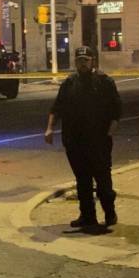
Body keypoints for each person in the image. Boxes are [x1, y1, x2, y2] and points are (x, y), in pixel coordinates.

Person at [44, 46, 122, 228]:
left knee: (103, 182)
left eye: (86, 60)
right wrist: (49, 128)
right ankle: (87, 216)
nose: (83, 64)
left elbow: (116, 111)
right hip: (75, 142)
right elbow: (57, 108)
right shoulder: (69, 84)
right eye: (79, 61)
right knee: (83, 182)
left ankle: (109, 213)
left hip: (98, 141)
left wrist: (109, 134)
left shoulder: (104, 82)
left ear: (92, 61)